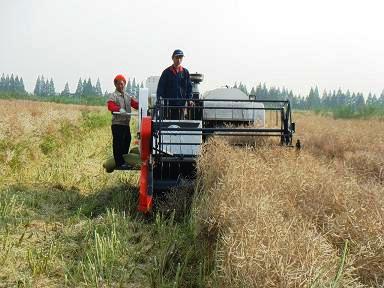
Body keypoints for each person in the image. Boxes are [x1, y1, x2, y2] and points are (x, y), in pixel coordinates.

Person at [107, 74, 138, 169]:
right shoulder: (114, 96)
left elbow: (135, 104)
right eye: (119, 84)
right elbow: (110, 106)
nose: (121, 86)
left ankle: (124, 161)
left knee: (127, 140)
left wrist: (144, 105)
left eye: (122, 84)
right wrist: (119, 109)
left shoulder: (127, 96)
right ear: (115, 85)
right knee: (118, 144)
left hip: (125, 124)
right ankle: (119, 163)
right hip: (117, 124)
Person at [157, 49, 193, 119]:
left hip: (181, 105)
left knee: (180, 126)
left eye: (180, 57)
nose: (179, 60)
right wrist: (159, 99)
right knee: (168, 126)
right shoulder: (166, 72)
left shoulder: (185, 72)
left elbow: (189, 88)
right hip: (168, 106)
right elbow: (160, 88)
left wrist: (190, 100)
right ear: (172, 58)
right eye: (177, 57)